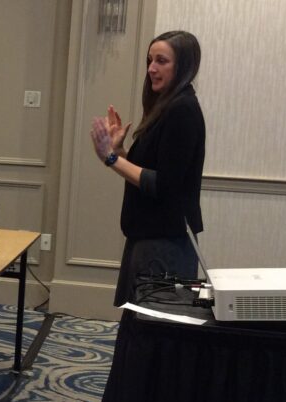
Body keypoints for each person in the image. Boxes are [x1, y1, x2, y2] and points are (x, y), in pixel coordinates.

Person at [89, 30, 205, 306]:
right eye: (149, 60)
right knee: (140, 330)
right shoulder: (166, 107)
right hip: (150, 238)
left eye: (162, 61)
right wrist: (120, 152)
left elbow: (164, 185)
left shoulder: (182, 110)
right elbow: (153, 172)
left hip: (165, 244)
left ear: (183, 65)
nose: (151, 68)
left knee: (153, 338)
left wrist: (112, 159)